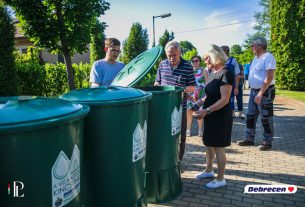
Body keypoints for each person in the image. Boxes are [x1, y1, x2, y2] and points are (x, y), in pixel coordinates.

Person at [193, 44, 234, 188]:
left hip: (220, 116)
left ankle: (221, 178)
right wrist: (199, 103)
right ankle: (209, 170)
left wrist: (206, 111)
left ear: (215, 56)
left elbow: (224, 99)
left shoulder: (226, 73)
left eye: (207, 58)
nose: (205, 61)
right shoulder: (212, 73)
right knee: (208, 144)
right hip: (210, 114)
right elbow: (209, 95)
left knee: (218, 147)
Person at [154, 41, 196, 161]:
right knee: (163, 135)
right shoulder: (162, 64)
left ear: (180, 53)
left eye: (174, 55)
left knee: (180, 136)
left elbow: (192, 86)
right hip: (163, 108)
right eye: (169, 55)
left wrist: (178, 90)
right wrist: (157, 87)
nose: (171, 58)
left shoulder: (187, 65)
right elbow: (157, 81)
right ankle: (163, 158)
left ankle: (178, 161)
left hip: (179, 107)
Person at [237, 37, 276, 151]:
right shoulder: (255, 58)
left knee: (266, 118)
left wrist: (260, 93)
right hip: (254, 91)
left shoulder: (268, 57)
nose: (251, 47)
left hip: (265, 91)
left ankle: (267, 142)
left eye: (252, 45)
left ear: (260, 46)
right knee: (250, 116)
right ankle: (249, 139)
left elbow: (269, 77)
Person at [186, 55, 208, 137]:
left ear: (199, 61)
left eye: (196, 61)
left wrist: (207, 94)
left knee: (199, 112)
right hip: (190, 94)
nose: (195, 62)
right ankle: (188, 129)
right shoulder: (189, 71)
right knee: (189, 112)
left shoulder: (203, 71)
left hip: (200, 94)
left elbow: (207, 83)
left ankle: (200, 130)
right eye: (193, 61)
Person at [221, 46, 240, 117]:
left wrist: (236, 88)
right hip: (220, 85)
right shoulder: (218, 61)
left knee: (230, 101)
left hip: (231, 86)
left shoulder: (233, 61)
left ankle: (230, 114)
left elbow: (237, 75)